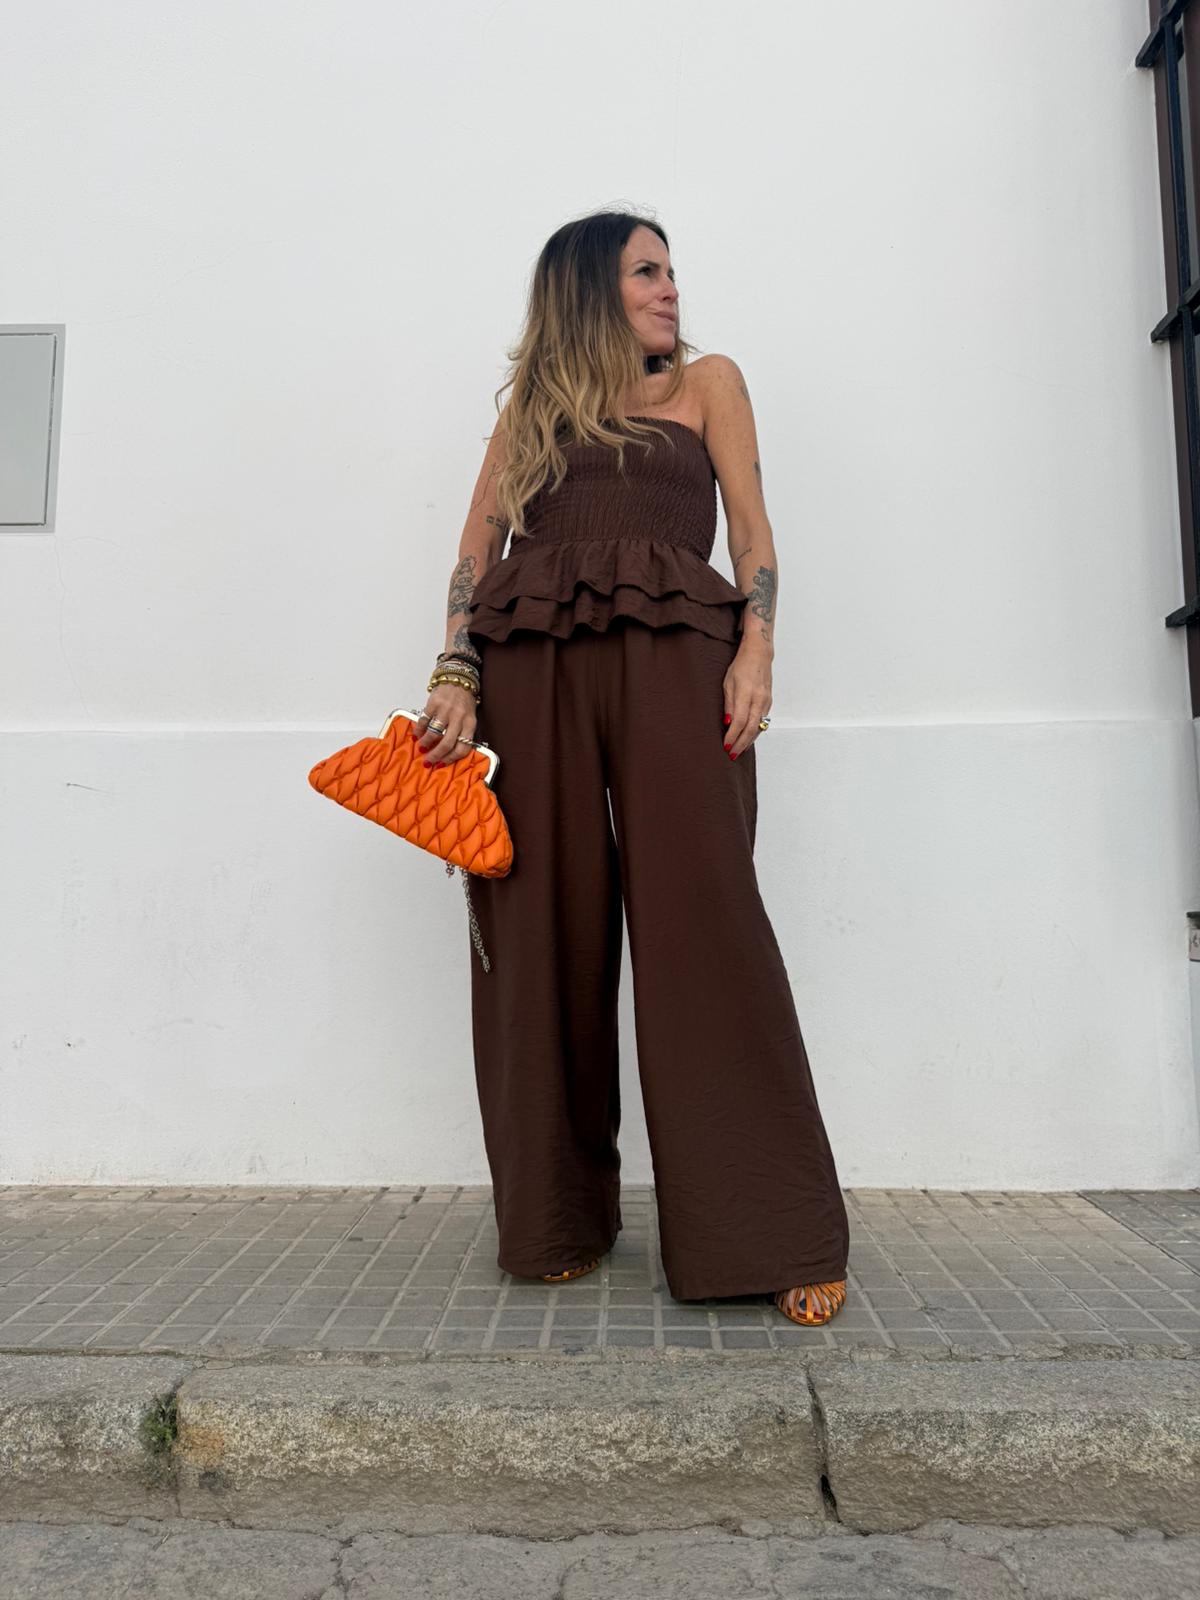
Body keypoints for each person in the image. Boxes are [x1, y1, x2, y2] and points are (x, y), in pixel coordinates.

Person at [412, 210, 849, 1327]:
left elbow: (752, 534)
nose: (670, 288)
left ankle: (771, 1228)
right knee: (539, 934)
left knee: (707, 926)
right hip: (531, 671)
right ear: (588, 291)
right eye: (646, 272)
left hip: (678, 663)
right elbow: (477, 549)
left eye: (670, 270)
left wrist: (757, 649)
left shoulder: (708, 384)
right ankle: (558, 1218)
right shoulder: (532, 408)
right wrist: (455, 670)